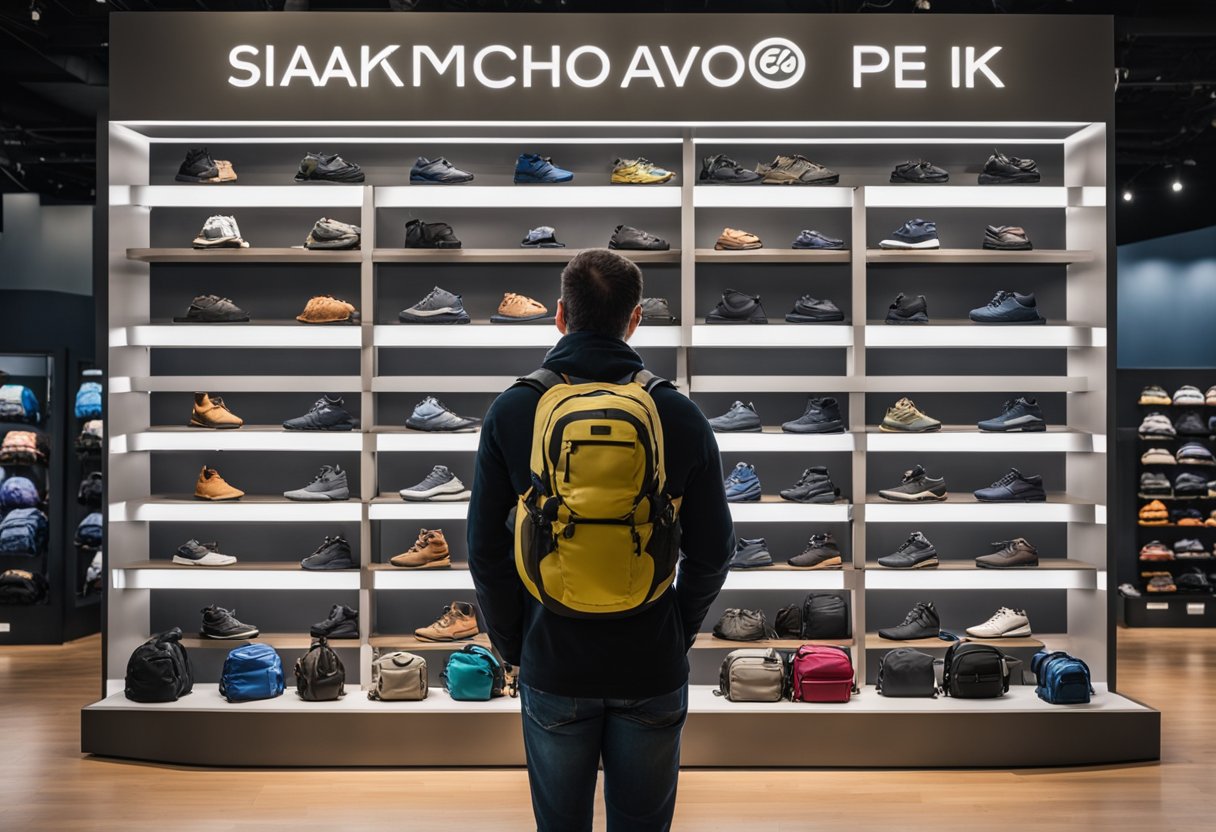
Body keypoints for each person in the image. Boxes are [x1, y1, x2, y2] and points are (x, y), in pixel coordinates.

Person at [468, 248, 734, 832]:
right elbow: (714, 550)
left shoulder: (514, 409)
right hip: (651, 661)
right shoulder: (678, 413)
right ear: (635, 318)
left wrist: (515, 647)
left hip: (553, 657)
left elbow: (486, 555)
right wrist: (676, 628)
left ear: (560, 315)